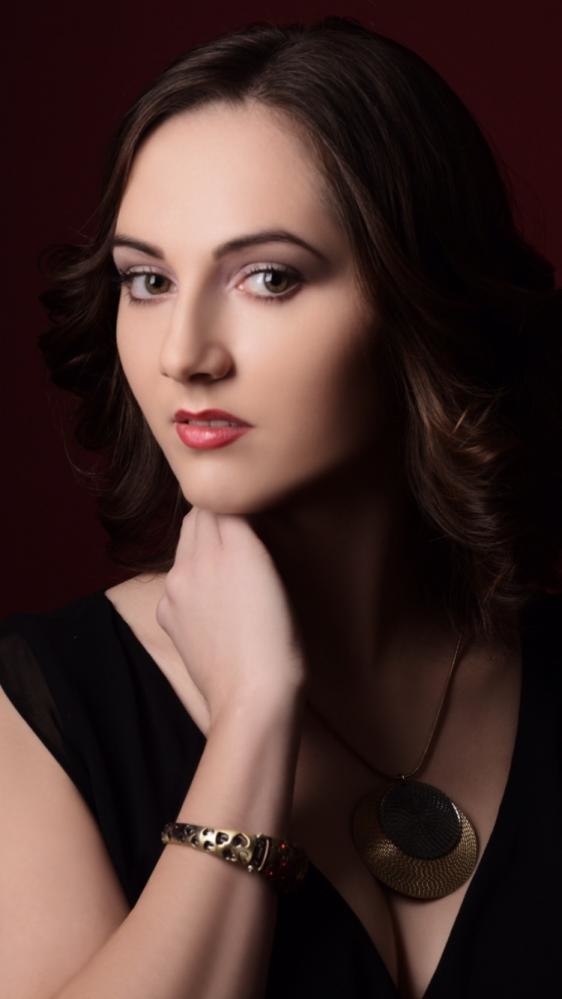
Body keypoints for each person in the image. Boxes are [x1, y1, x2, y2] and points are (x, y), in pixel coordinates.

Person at [1, 14, 561, 999]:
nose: (185, 353)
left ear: (417, 301)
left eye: (268, 277)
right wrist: (252, 718)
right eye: (148, 280)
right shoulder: (44, 707)